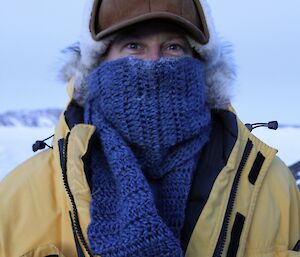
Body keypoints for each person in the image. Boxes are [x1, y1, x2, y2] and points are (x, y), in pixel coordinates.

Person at [0, 0, 299, 256]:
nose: (154, 62)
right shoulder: (20, 197)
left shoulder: (272, 188)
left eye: (173, 47)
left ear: (199, 63)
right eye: (133, 45)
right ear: (99, 62)